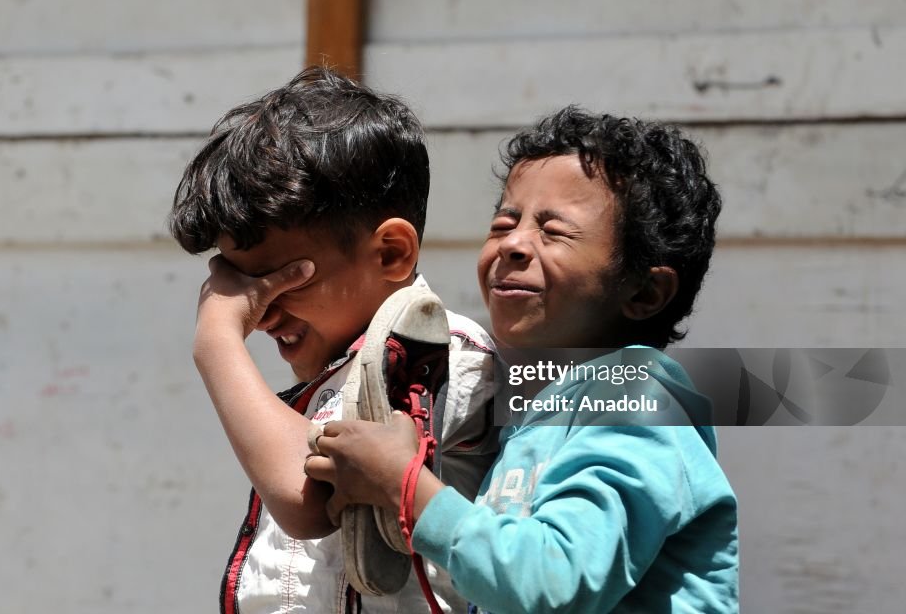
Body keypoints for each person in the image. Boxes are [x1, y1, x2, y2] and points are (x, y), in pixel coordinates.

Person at [306, 106, 740, 613]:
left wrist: (400, 483)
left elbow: (555, 581)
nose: (512, 243)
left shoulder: (639, 397)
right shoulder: (531, 414)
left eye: (553, 232)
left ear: (645, 292)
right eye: (503, 223)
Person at [168, 67, 500, 614]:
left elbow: (309, 499)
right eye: (243, 288)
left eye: (284, 280)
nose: (259, 315)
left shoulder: (438, 353)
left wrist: (216, 342)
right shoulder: (331, 381)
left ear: (391, 253)